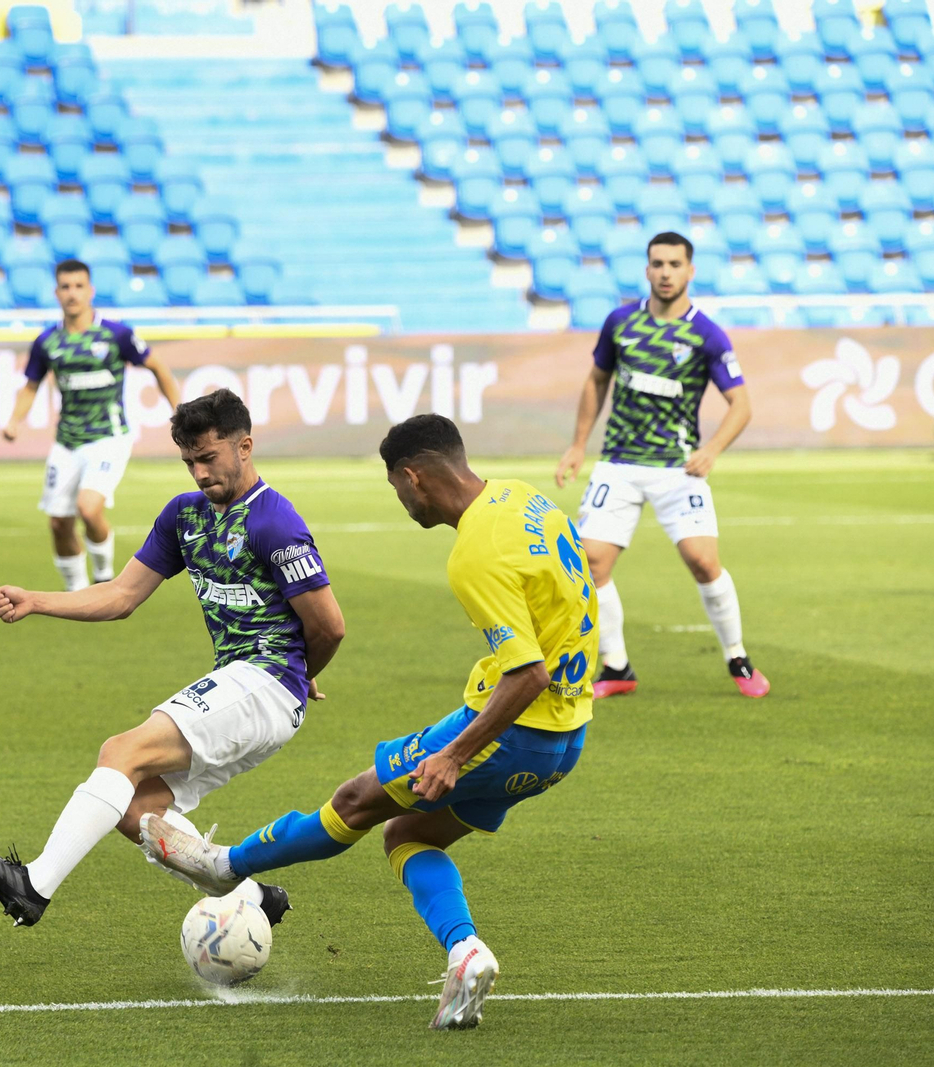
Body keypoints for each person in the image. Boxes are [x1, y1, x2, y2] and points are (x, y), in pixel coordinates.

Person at [140, 414, 595, 1031]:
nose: (401, 500)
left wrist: (454, 754)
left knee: (357, 801)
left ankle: (224, 865)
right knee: (409, 835)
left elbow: (527, 673)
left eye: (396, 487)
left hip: (512, 729)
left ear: (413, 477)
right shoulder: (526, 500)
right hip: (566, 737)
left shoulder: (474, 555)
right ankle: (466, 951)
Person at [0, 389, 345, 930]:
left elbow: (329, 626)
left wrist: (301, 674)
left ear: (245, 447)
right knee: (136, 809)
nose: (199, 473)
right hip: (250, 686)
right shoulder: (185, 516)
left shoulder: (274, 522)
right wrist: (37, 601)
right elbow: (121, 595)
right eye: (189, 461)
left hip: (266, 681)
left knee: (120, 751)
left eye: (208, 458)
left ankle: (34, 886)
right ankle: (254, 898)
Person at [554, 231, 769, 700]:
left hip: (677, 468)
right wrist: (578, 445)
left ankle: (737, 655)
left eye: (674, 264)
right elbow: (596, 381)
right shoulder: (620, 323)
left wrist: (712, 449)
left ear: (690, 271)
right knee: (590, 562)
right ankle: (616, 665)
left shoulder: (706, 334)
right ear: (647, 270)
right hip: (619, 464)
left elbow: (741, 405)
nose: (666, 273)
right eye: (658, 264)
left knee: (703, 561)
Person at [1, 259, 181, 591]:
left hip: (109, 438)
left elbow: (157, 367)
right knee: (58, 523)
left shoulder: (116, 334)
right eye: (65, 287)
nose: (72, 293)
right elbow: (31, 386)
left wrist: (178, 411)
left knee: (88, 507)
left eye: (79, 286)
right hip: (66, 442)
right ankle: (77, 592)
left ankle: (103, 578)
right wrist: (14, 420)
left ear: (91, 290)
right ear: (56, 293)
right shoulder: (46, 342)